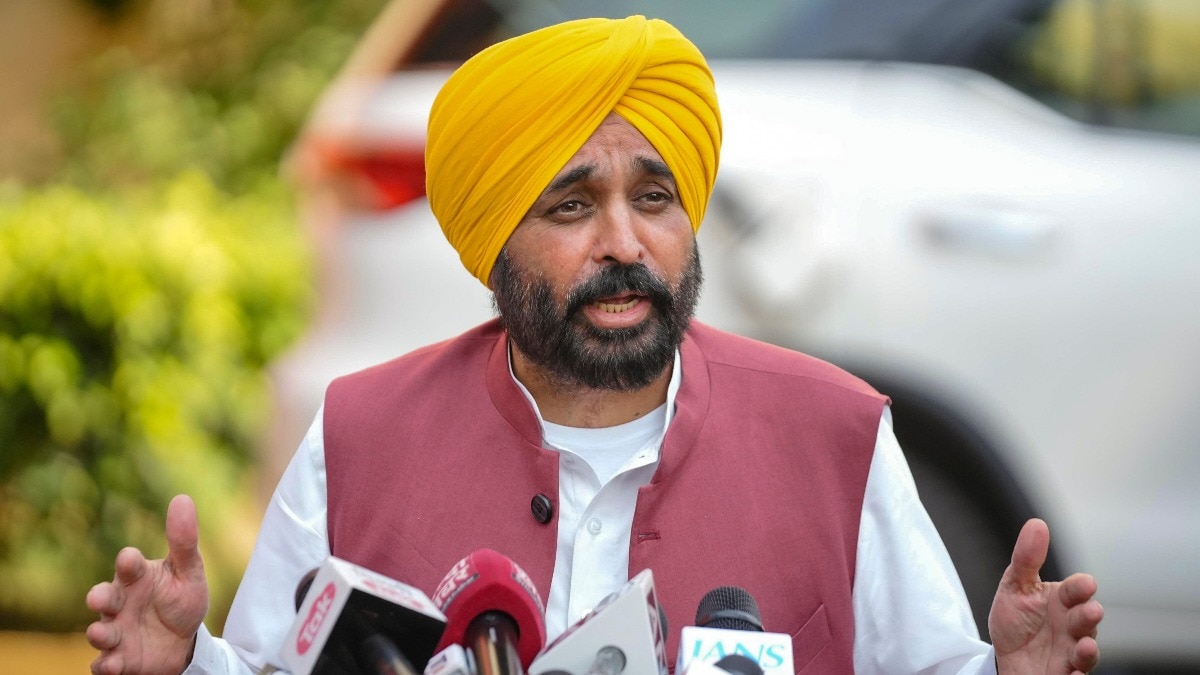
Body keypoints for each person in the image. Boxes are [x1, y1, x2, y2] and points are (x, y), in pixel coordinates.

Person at [85, 15, 1103, 675]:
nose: (624, 242)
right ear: (494, 244)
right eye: (571, 206)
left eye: (653, 198)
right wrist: (185, 662)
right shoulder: (358, 435)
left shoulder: (835, 435)